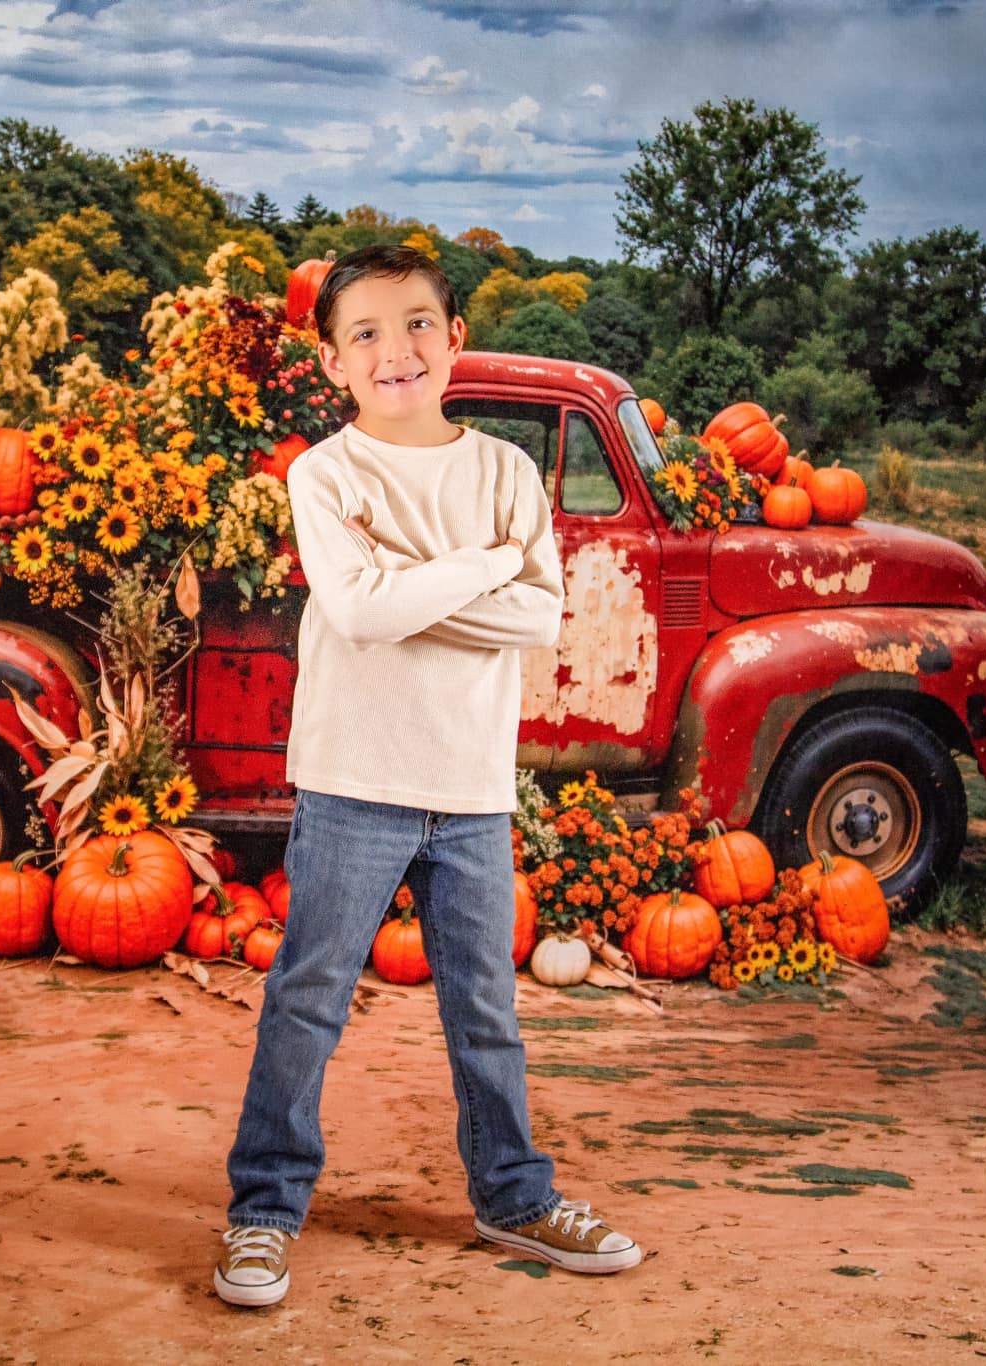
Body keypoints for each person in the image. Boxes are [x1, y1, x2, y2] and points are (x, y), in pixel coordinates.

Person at [214, 244, 642, 1308]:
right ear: (331, 361)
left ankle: (511, 1193)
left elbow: (537, 619)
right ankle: (262, 1209)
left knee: (484, 1005)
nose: (392, 348)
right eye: (362, 331)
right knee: (308, 995)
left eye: (414, 323)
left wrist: (413, 587)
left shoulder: (502, 472)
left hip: (468, 785)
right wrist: (489, 562)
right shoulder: (325, 474)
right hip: (352, 777)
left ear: (453, 340)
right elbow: (355, 613)